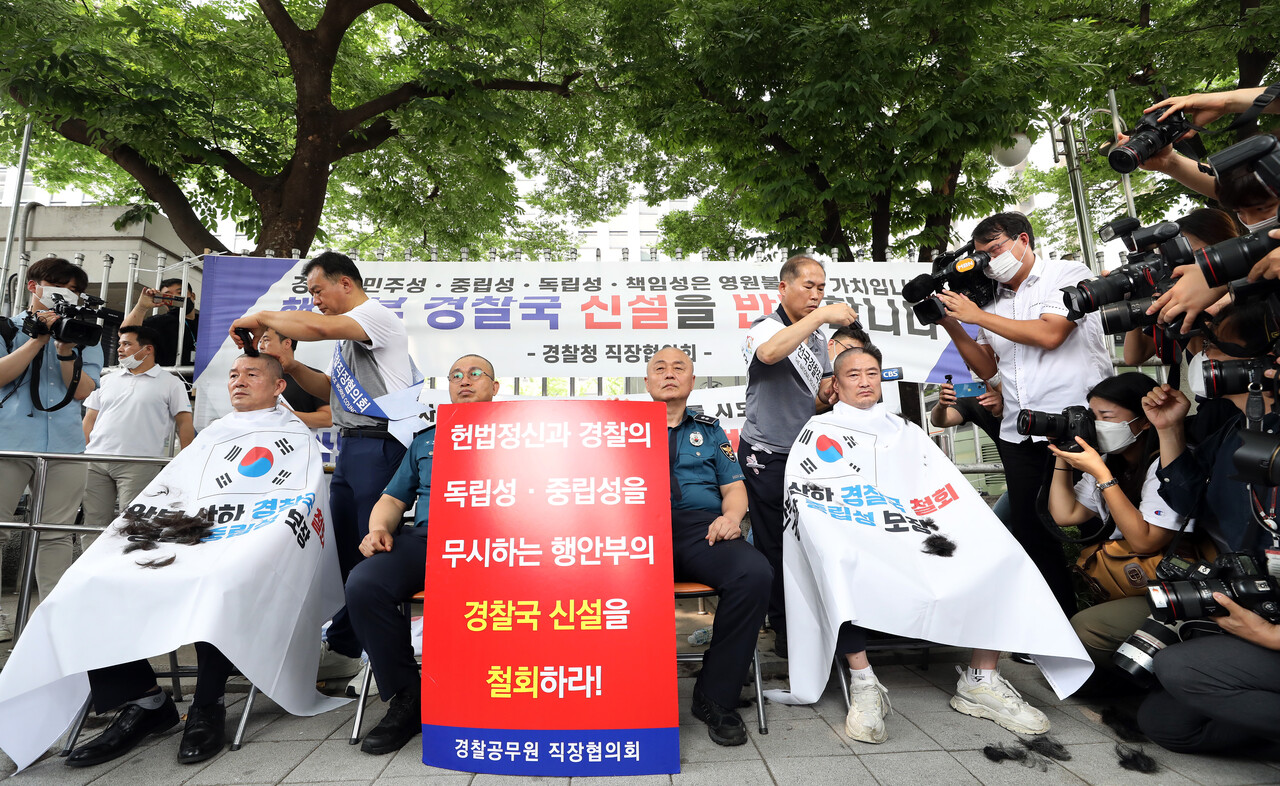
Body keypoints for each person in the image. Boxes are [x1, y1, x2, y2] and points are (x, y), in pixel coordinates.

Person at [0, 352, 345, 772]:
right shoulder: (215, 433)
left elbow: (296, 508)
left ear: (278, 386)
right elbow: (174, 493)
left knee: (218, 580)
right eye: (233, 374)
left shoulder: (296, 437)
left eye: (252, 374)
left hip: (249, 542)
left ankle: (208, 703)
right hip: (185, 536)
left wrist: (251, 540)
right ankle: (144, 700)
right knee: (88, 579)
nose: (238, 381)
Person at [818, 345, 1052, 743]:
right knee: (836, 559)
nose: (863, 381)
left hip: (916, 530)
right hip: (857, 534)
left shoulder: (904, 430)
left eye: (871, 372)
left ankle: (981, 679)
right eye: (853, 374)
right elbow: (817, 503)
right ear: (835, 386)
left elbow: (939, 489)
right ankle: (863, 683)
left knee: (999, 551)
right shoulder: (819, 433)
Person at [230, 251, 415, 682]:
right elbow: (332, 392)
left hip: (381, 446)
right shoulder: (349, 338)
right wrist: (291, 366)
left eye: (317, 290)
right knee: (348, 556)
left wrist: (262, 317)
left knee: (374, 553)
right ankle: (350, 648)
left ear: (345, 283)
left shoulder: (375, 317)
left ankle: (381, 660)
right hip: (351, 449)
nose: (315, 300)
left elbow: (313, 327)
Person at [936, 212, 1113, 618]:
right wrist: (953, 323)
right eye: (981, 255)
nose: (988, 261)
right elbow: (987, 368)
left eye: (994, 250)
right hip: (1021, 431)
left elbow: (1051, 333)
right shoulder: (990, 300)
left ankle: (1107, 620)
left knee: (1095, 521)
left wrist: (976, 315)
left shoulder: (1067, 272)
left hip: (1078, 423)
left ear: (1023, 240)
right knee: (1034, 535)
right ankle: (1059, 627)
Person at [1133, 298, 1280, 754]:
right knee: (1165, 722)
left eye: (1216, 350)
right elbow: (1185, 498)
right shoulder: (1238, 430)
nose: (1203, 359)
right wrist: (1170, 429)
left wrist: (1270, 636)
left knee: (1181, 670)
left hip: (1272, 627)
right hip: (1259, 601)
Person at [343, 353, 498, 755]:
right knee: (365, 583)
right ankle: (409, 697)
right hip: (431, 539)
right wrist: (377, 529)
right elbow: (393, 499)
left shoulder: (523, 433)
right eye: (456, 375)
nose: (465, 380)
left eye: (476, 373)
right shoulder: (427, 439)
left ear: (495, 388)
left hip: (503, 544)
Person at [646, 347, 772, 746]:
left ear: (692, 380)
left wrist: (731, 519)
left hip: (704, 530)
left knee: (754, 574)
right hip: (639, 535)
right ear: (646, 382)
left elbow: (734, 487)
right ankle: (626, 691)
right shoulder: (621, 429)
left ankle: (714, 696)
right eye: (659, 368)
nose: (669, 374)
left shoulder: (710, 431)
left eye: (678, 368)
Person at [740, 254, 859, 657]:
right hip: (766, 452)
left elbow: (819, 398)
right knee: (775, 544)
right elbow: (771, 354)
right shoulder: (765, 327)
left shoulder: (814, 339)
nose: (816, 295)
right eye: (808, 286)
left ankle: (820, 624)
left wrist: (831, 392)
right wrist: (823, 315)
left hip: (807, 453)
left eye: (822, 289)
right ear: (783, 288)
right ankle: (786, 634)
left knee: (813, 541)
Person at [1045, 372, 1190, 681]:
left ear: (1144, 420)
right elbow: (1065, 514)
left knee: (1082, 630)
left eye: (1106, 416)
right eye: (1092, 416)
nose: (1097, 426)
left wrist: (1102, 476)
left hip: (1174, 585)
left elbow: (1145, 542)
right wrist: (1063, 456)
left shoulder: (1164, 464)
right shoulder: (1112, 460)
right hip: (1139, 581)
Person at [0, 257, 103, 605]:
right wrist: (37, 340)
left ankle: (51, 624)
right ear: (34, 286)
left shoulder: (83, 335)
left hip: (65, 446)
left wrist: (64, 350)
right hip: (8, 444)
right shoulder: (7, 328)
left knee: (56, 535)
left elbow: (84, 391)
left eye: (76, 291)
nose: (69, 296)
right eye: (62, 288)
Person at [81, 326, 195, 554]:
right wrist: (83, 453)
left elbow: (184, 424)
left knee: (135, 524)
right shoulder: (107, 379)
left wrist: (186, 462)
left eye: (127, 344)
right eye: (120, 344)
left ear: (147, 349)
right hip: (95, 462)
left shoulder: (171, 383)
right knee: (92, 524)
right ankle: (91, 573)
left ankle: (128, 573)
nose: (120, 349)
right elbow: (89, 420)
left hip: (140, 463)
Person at [257, 327, 332, 429]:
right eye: (259, 342)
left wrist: (290, 415)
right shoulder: (254, 379)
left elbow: (328, 419)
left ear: (287, 343)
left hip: (299, 443)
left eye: (266, 340)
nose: (260, 346)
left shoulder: (312, 377)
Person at [122, 278, 199, 367]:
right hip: (171, 377)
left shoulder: (207, 323)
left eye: (180, 293)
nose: (174, 298)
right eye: (168, 296)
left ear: (192, 296)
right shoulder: (159, 322)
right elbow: (126, 334)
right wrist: (141, 307)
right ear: (163, 300)